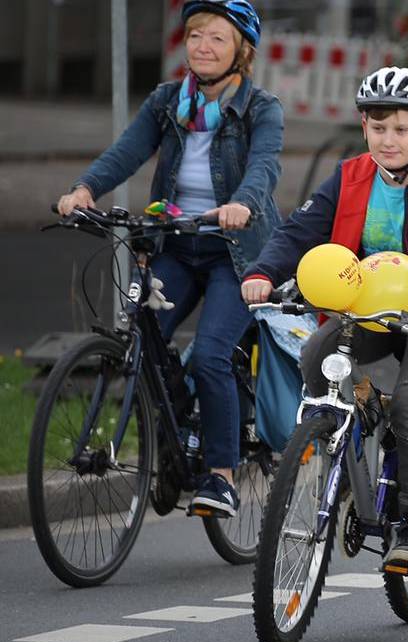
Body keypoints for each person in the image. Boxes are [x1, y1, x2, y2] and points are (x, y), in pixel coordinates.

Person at [242, 67, 408, 574]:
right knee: (315, 355)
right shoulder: (351, 176)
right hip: (370, 309)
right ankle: (351, 431)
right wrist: (262, 271)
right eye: (378, 128)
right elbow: (300, 230)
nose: (388, 140)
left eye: (401, 129)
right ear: (364, 127)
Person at [56, 0, 280, 518]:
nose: (203, 46)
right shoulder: (167, 101)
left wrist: (243, 205)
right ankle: (171, 451)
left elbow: (264, 167)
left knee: (211, 354)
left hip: (235, 254)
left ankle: (221, 475)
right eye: (196, 35)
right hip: (175, 244)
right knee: (139, 339)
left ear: (241, 52)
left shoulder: (261, 108)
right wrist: (85, 189)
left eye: (217, 38)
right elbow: (127, 151)